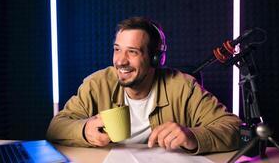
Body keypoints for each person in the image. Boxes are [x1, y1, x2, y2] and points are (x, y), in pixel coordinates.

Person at [46, 16, 241, 154]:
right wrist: (84, 130)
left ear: (155, 59)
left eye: (132, 52)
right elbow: (55, 127)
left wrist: (192, 136)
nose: (120, 61)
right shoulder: (97, 84)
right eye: (117, 49)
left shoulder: (183, 87)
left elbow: (234, 128)